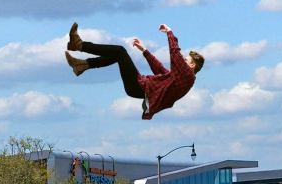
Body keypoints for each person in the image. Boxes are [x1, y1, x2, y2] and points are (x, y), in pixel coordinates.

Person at [65, 22, 204, 120]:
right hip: (139, 87)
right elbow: (161, 71)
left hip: (139, 87)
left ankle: (79, 45)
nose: (184, 62)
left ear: (192, 65)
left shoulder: (187, 76)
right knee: (117, 55)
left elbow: (175, 54)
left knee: (120, 51)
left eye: (187, 60)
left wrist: (170, 33)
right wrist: (145, 51)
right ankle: (82, 65)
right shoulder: (182, 79)